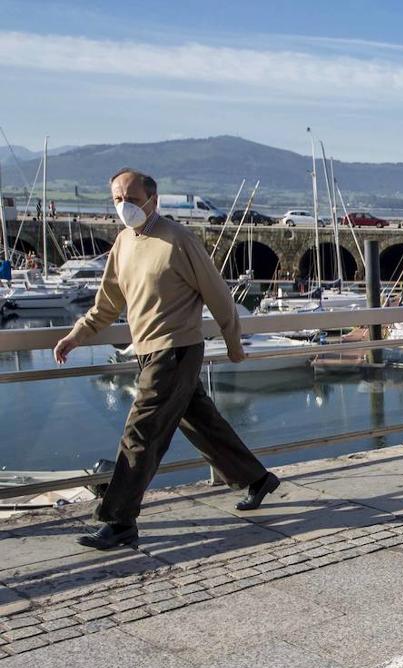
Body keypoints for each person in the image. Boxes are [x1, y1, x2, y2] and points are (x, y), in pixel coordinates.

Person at [53, 168, 280, 550]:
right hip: (147, 352)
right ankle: (257, 480)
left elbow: (218, 294)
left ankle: (119, 520)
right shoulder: (123, 244)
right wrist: (76, 336)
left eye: (131, 198)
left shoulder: (178, 240)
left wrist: (233, 342)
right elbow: (107, 305)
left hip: (176, 351)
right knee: (202, 424)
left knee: (140, 433)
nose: (124, 206)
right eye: (116, 199)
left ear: (153, 200)